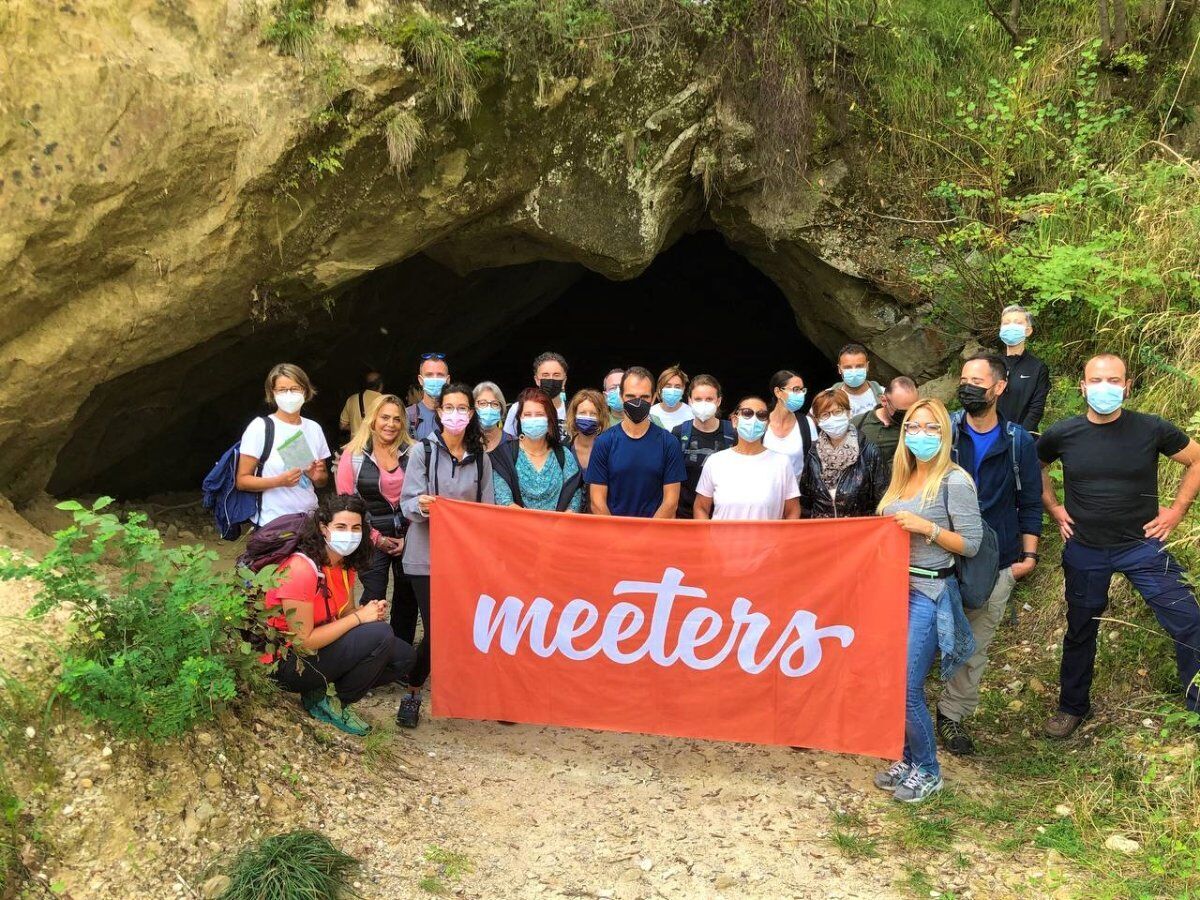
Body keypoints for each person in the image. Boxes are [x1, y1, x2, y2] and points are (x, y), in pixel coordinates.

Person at [1037, 354, 1200, 738]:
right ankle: (1072, 708)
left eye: (1113, 380)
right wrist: (1054, 508)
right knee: (1081, 628)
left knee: (1189, 619)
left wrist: (1177, 511)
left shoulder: (1150, 428)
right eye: (1096, 380)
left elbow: (1196, 459)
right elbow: (1035, 466)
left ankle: (1197, 706)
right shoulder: (1063, 433)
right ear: (1083, 386)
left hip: (1142, 547)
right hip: (1085, 548)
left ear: (1127, 387)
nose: (1104, 387)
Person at [875, 398, 981, 803]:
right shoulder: (901, 477)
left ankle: (930, 770)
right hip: (892, 593)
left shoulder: (955, 480)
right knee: (892, 685)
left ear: (946, 433)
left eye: (932, 428)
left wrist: (927, 528)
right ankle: (909, 759)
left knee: (906, 688)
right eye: (914, 428)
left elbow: (971, 544)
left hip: (929, 593)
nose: (922, 435)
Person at [936, 354, 1043, 755]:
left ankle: (951, 715)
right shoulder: (943, 431)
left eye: (977, 381)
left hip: (995, 560)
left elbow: (1030, 502)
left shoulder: (1018, 442)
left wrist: (1027, 559)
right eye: (963, 379)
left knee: (974, 644)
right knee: (923, 635)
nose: (968, 387)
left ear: (999, 388)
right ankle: (904, 708)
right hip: (938, 553)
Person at [268, 494, 415, 737]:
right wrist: (360, 619)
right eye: (341, 527)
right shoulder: (301, 569)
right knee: (380, 634)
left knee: (403, 657)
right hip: (288, 662)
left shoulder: (344, 565)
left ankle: (322, 692)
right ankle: (335, 702)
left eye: (356, 527)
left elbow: (344, 615)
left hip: (318, 652)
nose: (350, 533)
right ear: (324, 529)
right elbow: (302, 641)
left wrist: (367, 613)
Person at [398, 382, 495, 728]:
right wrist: (421, 505)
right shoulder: (422, 452)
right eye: (448, 408)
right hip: (425, 558)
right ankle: (412, 692)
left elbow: (487, 510)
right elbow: (407, 503)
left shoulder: (482, 459)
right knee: (438, 629)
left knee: (463, 628)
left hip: (463, 561)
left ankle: (466, 693)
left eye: (462, 409)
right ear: (438, 413)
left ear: (471, 414)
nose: (455, 414)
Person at [335, 393, 420, 646]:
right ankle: (372, 651)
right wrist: (376, 538)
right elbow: (345, 503)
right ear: (372, 420)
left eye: (396, 419)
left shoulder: (414, 453)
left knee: (407, 598)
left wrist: (410, 537)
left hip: (408, 537)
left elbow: (423, 496)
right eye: (384, 417)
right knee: (373, 596)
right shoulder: (353, 455)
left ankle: (400, 653)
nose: (390, 424)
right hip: (371, 539)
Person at [236, 363, 331, 527]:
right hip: (274, 522)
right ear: (272, 393)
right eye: (282, 389)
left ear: (305, 391)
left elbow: (321, 481)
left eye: (295, 388)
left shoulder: (314, 429)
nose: (289, 394)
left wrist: (317, 476)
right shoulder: (260, 428)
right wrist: (279, 481)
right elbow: (242, 481)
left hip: (310, 520)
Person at [587, 366, 687, 518]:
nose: (637, 402)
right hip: (614, 537)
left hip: (654, 537)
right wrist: (618, 537)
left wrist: (646, 538)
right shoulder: (604, 442)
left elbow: (670, 503)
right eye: (631, 396)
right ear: (621, 397)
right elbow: (597, 501)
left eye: (645, 397)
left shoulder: (669, 443)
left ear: (653, 398)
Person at [693, 396, 800, 521]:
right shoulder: (715, 461)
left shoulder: (782, 463)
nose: (754, 419)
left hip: (768, 541)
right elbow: (700, 507)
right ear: (734, 420)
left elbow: (793, 511)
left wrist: (783, 540)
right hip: (722, 540)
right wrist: (708, 539)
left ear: (766, 424)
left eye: (761, 415)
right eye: (747, 413)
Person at [491, 388, 584, 512]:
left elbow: (575, 498)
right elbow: (504, 500)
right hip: (517, 527)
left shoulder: (563, 455)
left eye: (539, 415)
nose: (533, 419)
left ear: (549, 419)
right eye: (527, 415)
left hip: (559, 528)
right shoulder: (504, 455)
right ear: (520, 418)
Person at [800, 388, 886, 518]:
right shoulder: (813, 454)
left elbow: (882, 501)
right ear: (817, 421)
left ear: (848, 413)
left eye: (837, 412)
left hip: (859, 532)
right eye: (825, 415)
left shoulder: (869, 452)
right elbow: (805, 502)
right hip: (822, 532)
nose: (832, 418)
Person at [671, 374, 735, 519]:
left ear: (718, 401)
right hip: (684, 516)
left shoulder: (732, 433)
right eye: (698, 399)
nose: (703, 403)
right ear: (689, 401)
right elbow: (671, 480)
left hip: (722, 516)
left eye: (709, 399)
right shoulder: (679, 433)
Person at [996, 304, 1051, 433]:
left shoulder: (1038, 368)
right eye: (1006, 323)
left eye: (1017, 322)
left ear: (1028, 330)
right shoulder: (991, 364)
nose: (1011, 326)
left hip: (1023, 439)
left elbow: (1036, 410)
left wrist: (1019, 437)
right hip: (991, 437)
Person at [852, 376, 919, 475]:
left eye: (912, 410)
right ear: (884, 401)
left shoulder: (914, 429)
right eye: (901, 412)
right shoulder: (858, 422)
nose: (907, 416)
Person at [764, 369, 816, 480]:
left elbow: (814, 462)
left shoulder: (807, 424)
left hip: (797, 494)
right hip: (765, 493)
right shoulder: (761, 422)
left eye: (802, 390)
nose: (801, 394)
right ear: (778, 392)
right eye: (796, 390)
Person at [504, 352, 569, 438]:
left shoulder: (572, 411)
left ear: (564, 380)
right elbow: (507, 444)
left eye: (556, 375)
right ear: (537, 380)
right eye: (545, 375)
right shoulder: (518, 408)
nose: (551, 379)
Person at [565, 388, 609, 512]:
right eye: (582, 413)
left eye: (593, 414)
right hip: (569, 520)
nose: (587, 418)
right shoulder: (564, 450)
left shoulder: (609, 450)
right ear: (573, 416)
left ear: (600, 417)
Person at [831, 343, 884, 417]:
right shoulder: (827, 398)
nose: (854, 371)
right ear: (839, 369)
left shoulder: (884, 394)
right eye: (848, 367)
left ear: (867, 366)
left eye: (859, 366)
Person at [405, 353, 450, 441]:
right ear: (421, 380)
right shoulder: (408, 416)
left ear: (447, 380)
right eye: (429, 375)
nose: (435, 379)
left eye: (440, 375)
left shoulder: (457, 415)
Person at [339, 368, 384, 437]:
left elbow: (342, 426)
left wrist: (356, 427)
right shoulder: (385, 401)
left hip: (356, 445)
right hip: (377, 444)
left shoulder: (351, 399)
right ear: (380, 385)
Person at [650, 365, 693, 431]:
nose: (672, 390)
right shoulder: (651, 413)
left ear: (683, 389)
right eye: (668, 386)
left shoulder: (691, 413)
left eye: (677, 387)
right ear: (659, 388)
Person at [473, 381, 509, 453]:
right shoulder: (463, 443)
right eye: (482, 403)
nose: (489, 408)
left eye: (495, 404)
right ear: (473, 408)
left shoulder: (513, 444)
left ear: (501, 409)